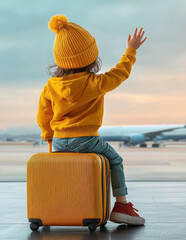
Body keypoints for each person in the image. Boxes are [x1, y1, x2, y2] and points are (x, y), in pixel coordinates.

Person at [37, 14, 146, 225]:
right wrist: (130, 51)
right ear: (91, 57)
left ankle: (61, 208)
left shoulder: (51, 86)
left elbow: (44, 115)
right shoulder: (96, 83)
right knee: (115, 160)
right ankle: (122, 206)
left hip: (59, 141)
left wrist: (49, 139)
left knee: (68, 173)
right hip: (87, 139)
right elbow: (120, 73)